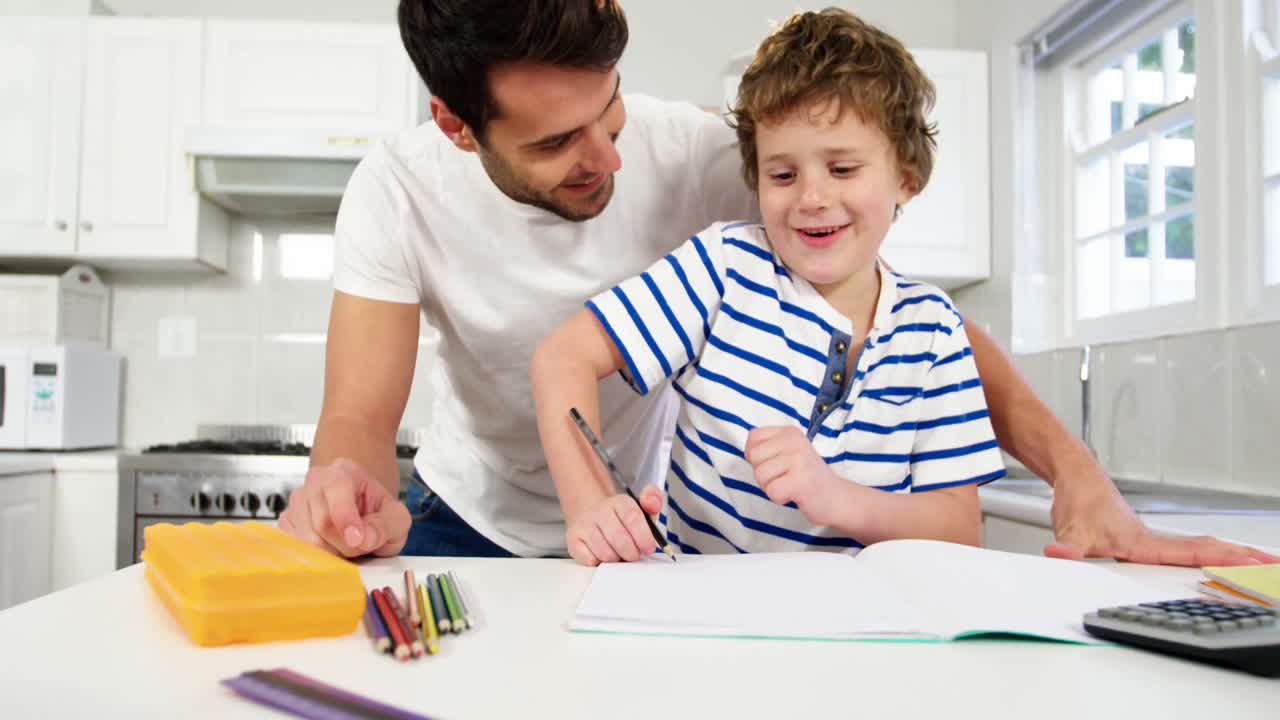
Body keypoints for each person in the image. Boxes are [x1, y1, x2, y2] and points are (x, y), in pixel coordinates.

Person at [278, 0, 1275, 567]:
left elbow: (912, 316)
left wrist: (1077, 476)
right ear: (458, 124)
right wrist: (344, 486)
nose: (608, 158)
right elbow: (362, 418)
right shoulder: (397, 188)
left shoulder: (717, 159)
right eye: (555, 142)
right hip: (476, 511)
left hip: (648, 533)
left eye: (609, 113)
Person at [532, 7, 1004, 562]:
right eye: (783, 174)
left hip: (866, 629)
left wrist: (834, 498)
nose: (811, 197)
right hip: (705, 610)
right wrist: (591, 503)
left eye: (843, 169)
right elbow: (561, 357)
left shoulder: (935, 327)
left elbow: (959, 529)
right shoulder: (727, 266)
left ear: (907, 176)